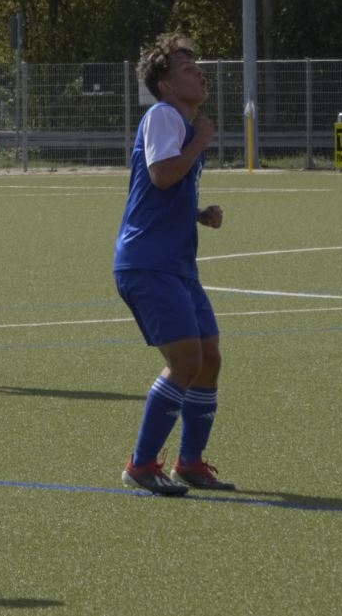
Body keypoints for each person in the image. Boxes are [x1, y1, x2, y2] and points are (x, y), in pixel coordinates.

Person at [113, 33, 232, 496]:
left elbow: (160, 188)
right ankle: (140, 465)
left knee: (208, 357)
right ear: (165, 85)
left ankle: (190, 462)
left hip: (175, 262)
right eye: (186, 68)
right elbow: (163, 175)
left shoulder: (177, 122)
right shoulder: (164, 115)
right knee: (186, 360)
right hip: (148, 261)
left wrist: (198, 213)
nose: (199, 73)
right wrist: (201, 140)